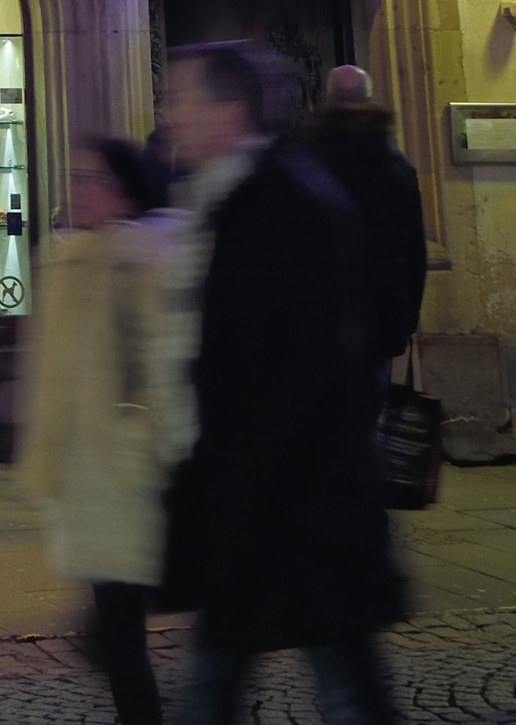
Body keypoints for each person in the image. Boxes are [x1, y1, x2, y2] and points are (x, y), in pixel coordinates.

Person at [163, 44, 403, 725]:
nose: (169, 116)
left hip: (295, 508)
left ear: (228, 111)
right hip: (258, 506)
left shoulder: (283, 202)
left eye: (180, 100)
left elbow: (311, 371)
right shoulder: (222, 199)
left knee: (338, 684)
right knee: (233, 681)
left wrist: (244, 483)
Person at [18, 138, 182, 725]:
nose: (79, 190)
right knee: (114, 630)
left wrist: (145, 452)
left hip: (123, 478)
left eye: (93, 179)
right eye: (76, 176)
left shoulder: (137, 263)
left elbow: (160, 371)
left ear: (123, 192)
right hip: (87, 479)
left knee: (120, 637)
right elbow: (50, 377)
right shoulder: (66, 261)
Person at [304, 66, 427, 391]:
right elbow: (415, 253)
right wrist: (406, 318)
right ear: (370, 98)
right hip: (381, 319)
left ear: (327, 98)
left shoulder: (305, 168)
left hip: (318, 322)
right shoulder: (398, 169)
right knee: (369, 407)